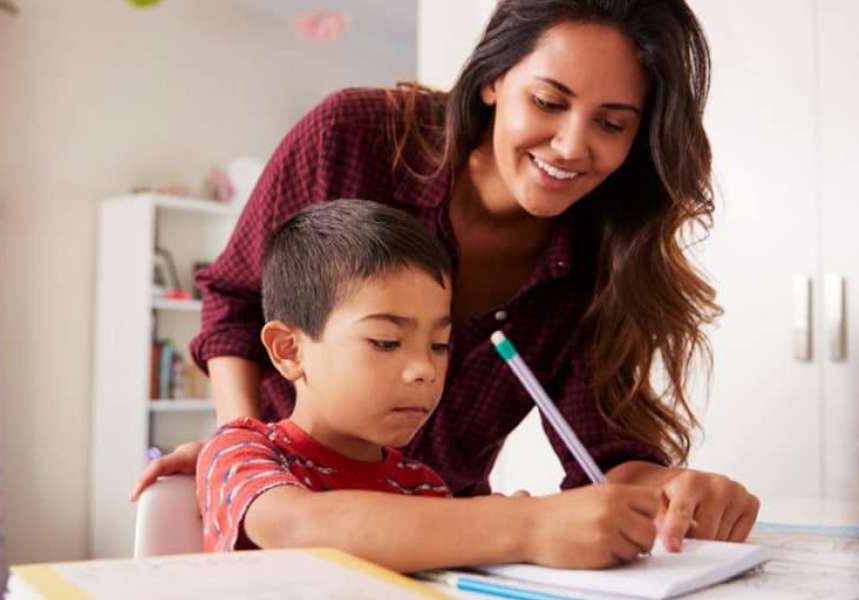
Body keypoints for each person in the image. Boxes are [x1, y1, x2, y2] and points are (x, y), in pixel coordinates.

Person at [134, 0, 759, 553]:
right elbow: (237, 302)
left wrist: (674, 491)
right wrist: (240, 442)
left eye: (612, 123)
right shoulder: (352, 137)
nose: (571, 145)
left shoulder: (603, 259)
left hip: (445, 549)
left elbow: (605, 461)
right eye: (548, 102)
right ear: (493, 78)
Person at [199, 199, 662, 571]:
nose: (424, 369)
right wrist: (524, 526)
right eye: (385, 341)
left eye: (439, 345)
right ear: (289, 350)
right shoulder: (242, 452)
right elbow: (297, 527)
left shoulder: (420, 487)